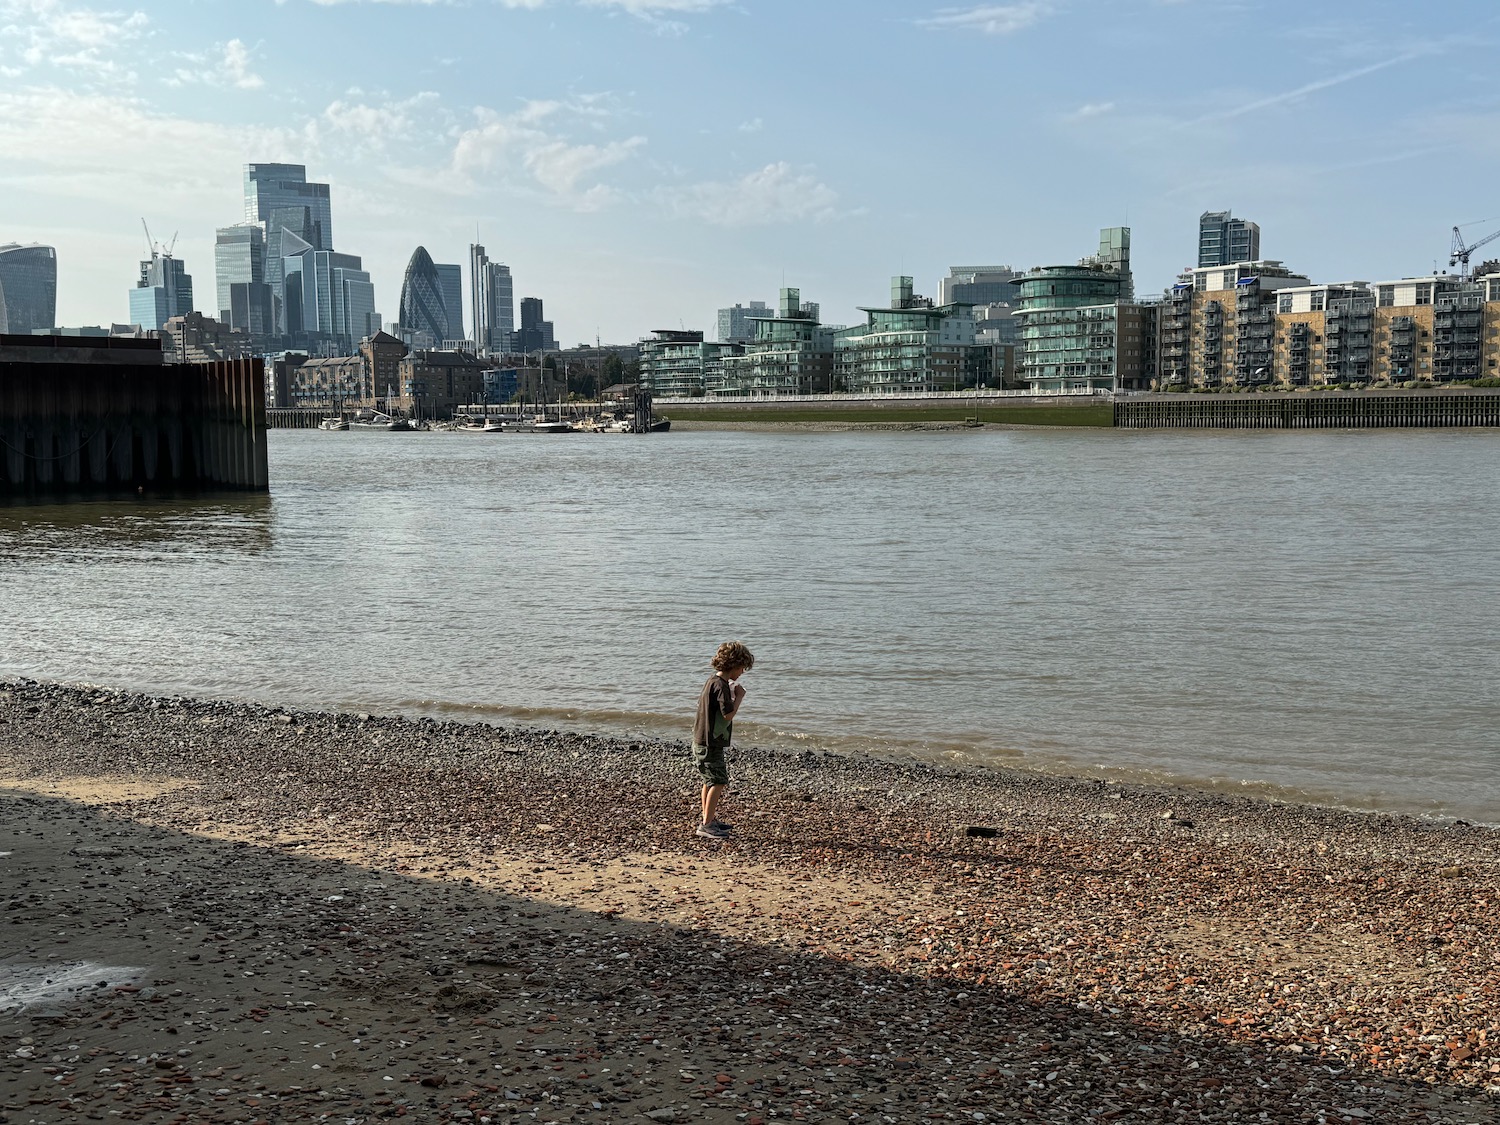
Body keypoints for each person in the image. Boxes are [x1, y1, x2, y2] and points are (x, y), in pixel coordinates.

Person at [692, 641, 754, 839]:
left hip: (702, 740)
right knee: (718, 781)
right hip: (711, 742)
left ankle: (708, 819)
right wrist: (739, 697)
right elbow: (728, 714)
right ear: (734, 665)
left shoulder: (712, 681)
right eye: (742, 668)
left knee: (709, 781)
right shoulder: (721, 686)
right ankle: (707, 825)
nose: (742, 672)